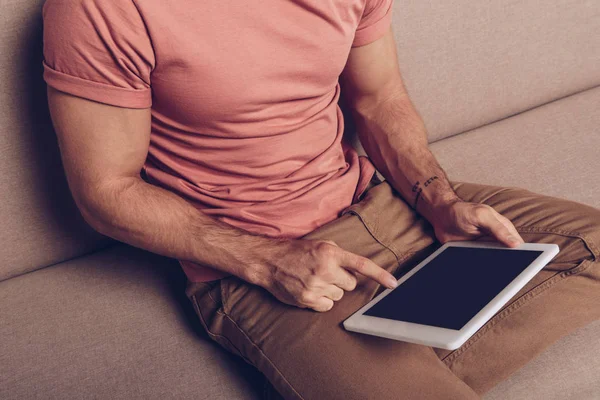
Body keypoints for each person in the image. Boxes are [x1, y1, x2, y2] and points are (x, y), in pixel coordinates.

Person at [42, 0, 600, 398]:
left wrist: (438, 200)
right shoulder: (100, 7)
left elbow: (380, 99)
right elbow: (104, 191)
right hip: (251, 262)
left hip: (380, 202)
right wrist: (269, 260)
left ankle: (385, 364)